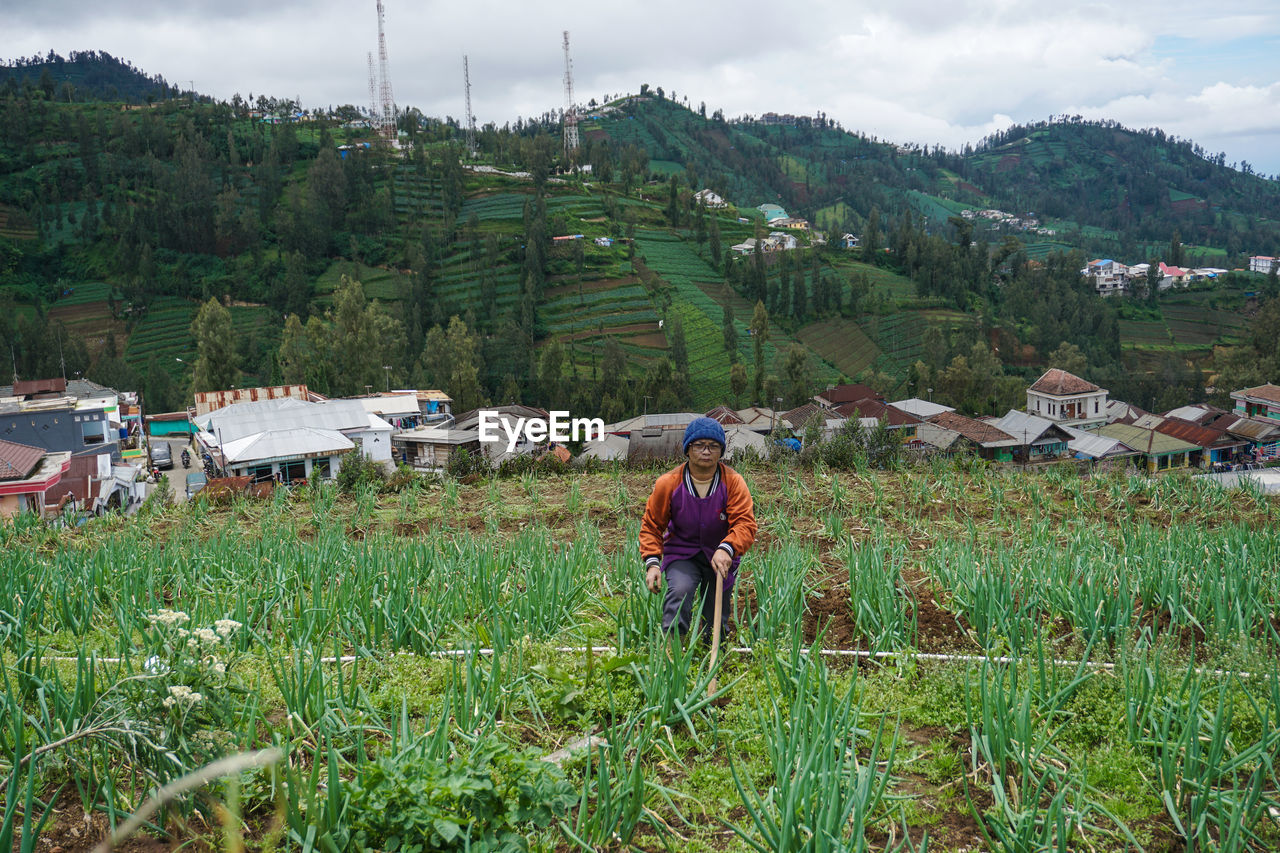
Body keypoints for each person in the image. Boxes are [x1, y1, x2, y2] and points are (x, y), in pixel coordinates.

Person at [640, 417, 757, 641]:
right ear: (687, 450)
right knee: (680, 591)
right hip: (682, 553)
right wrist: (652, 562)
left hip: (721, 555)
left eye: (713, 446)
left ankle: (713, 652)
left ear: (720, 451)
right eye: (699, 445)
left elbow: (745, 523)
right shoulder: (669, 482)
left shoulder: (732, 482)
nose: (706, 451)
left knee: (716, 609)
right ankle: (672, 654)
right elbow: (652, 525)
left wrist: (727, 547)